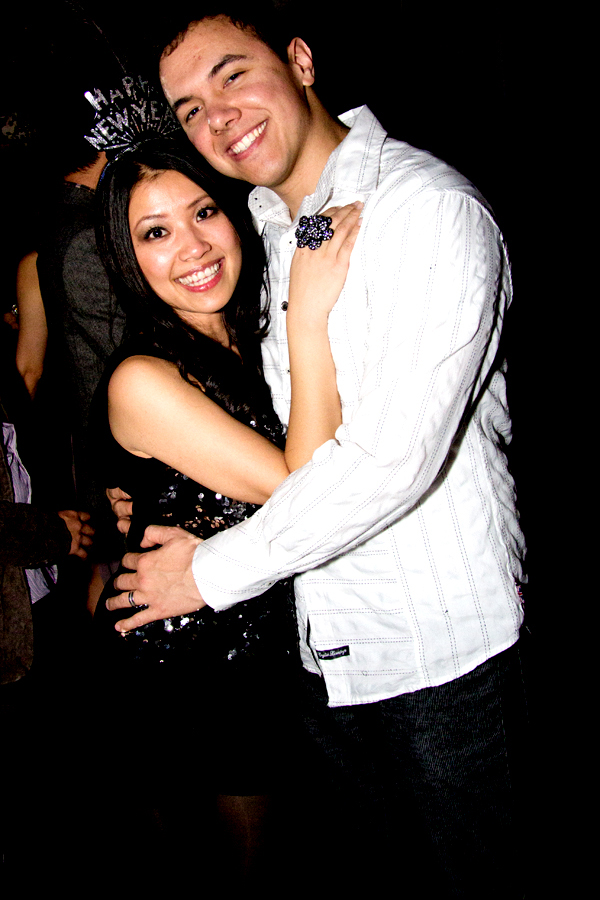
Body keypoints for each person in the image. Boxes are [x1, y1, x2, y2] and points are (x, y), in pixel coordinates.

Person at [106, 9, 527, 896]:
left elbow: (385, 463)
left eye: (232, 74)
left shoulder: (424, 209)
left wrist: (210, 567)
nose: (218, 115)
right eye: (189, 107)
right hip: (317, 656)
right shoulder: (271, 225)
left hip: (434, 654)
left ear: (299, 60)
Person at [92, 130, 361, 880]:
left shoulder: (248, 335)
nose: (193, 247)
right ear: (125, 257)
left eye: (204, 212)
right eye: (155, 232)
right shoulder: (143, 377)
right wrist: (309, 317)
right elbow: (302, 485)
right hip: (191, 669)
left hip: (270, 646)